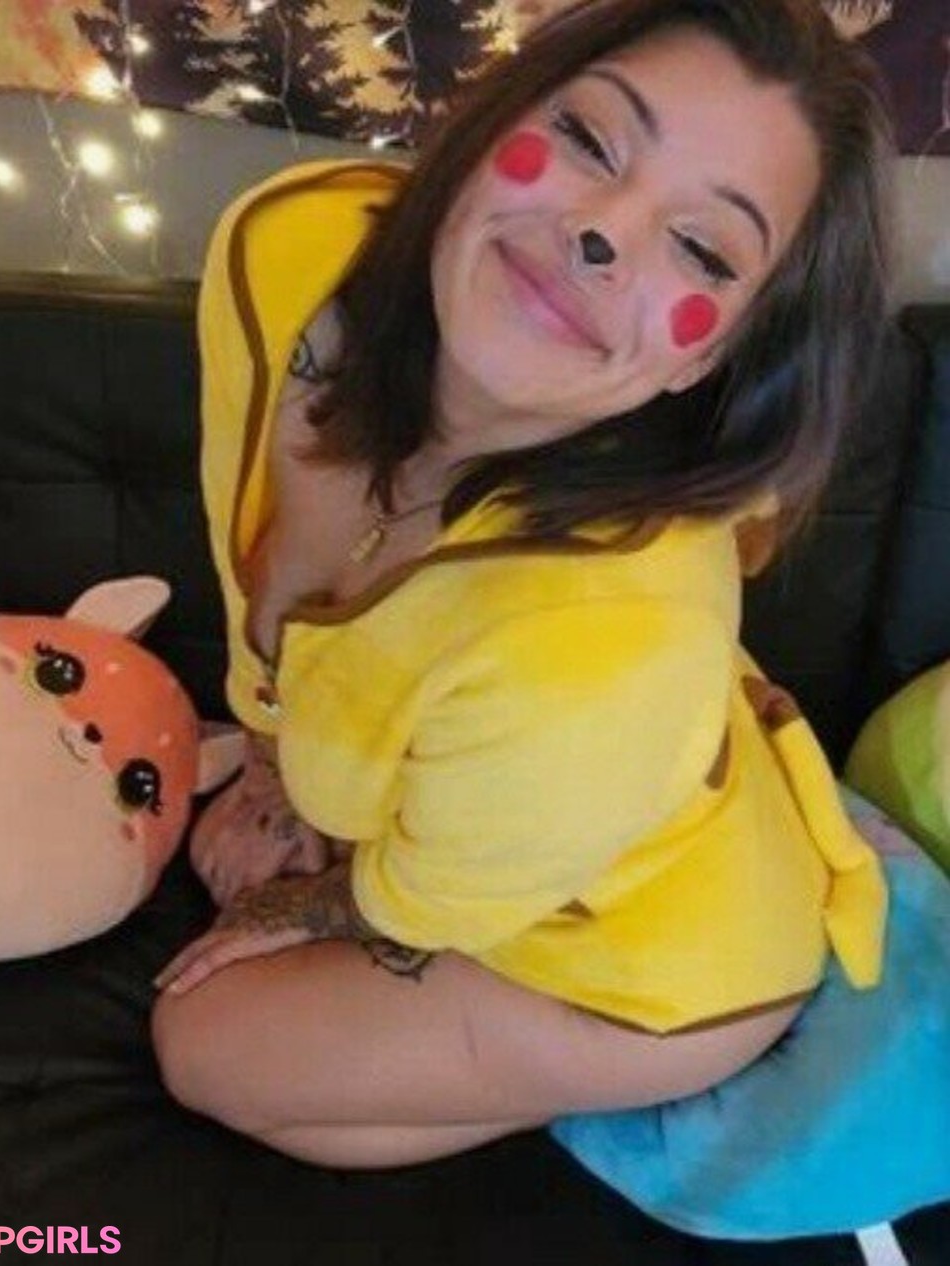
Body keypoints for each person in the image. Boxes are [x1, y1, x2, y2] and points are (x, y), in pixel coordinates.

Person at [151, 0, 893, 1170]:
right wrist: (275, 766)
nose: (599, 233)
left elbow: (428, 900)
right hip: (548, 800)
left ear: (709, 354)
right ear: (495, 122)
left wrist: (301, 906)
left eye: (702, 251)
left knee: (202, 1044)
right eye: (592, 139)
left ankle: (638, 1072)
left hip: (658, 954)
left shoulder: (613, 639)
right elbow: (257, 575)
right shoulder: (288, 256)